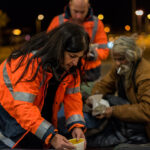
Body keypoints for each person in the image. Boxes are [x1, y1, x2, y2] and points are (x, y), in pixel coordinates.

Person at [0, 22, 90, 149]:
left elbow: (73, 98)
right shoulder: (30, 63)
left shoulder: (69, 67)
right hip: (9, 120)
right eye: (72, 56)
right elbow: (23, 108)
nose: (75, 62)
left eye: (79, 57)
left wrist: (77, 126)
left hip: (30, 119)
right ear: (59, 49)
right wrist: (51, 136)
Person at [85, 35, 150, 146]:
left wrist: (112, 111)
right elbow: (104, 85)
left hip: (142, 127)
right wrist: (94, 99)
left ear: (132, 56)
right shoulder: (121, 67)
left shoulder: (145, 74)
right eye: (115, 59)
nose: (117, 63)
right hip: (126, 118)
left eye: (121, 59)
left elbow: (147, 110)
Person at [47, 0, 109, 98]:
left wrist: (91, 54)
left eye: (82, 12)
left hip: (90, 75)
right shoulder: (58, 21)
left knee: (89, 104)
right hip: (64, 73)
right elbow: (48, 48)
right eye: (76, 11)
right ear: (70, 5)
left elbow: (104, 51)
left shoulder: (97, 23)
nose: (79, 16)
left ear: (88, 6)